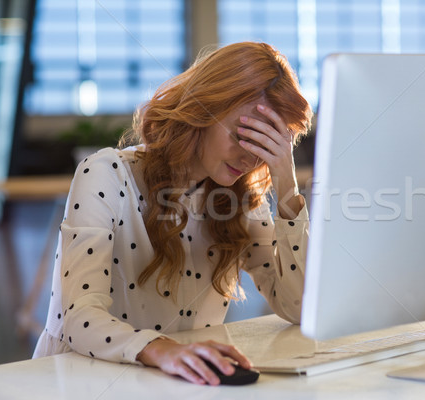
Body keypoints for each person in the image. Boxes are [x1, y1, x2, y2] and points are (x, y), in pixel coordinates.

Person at [33, 41, 313, 386]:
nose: (249, 158)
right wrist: (162, 349)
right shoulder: (106, 173)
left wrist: (287, 185)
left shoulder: (240, 199)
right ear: (203, 110)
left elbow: (299, 308)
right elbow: (79, 316)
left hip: (174, 383)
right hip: (75, 381)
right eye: (243, 134)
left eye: (264, 141)